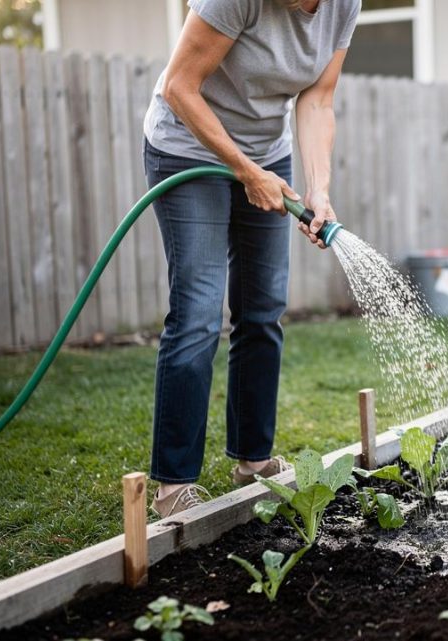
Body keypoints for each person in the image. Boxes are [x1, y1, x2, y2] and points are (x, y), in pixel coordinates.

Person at [142, 0, 360, 518]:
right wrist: (244, 169)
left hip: (266, 155)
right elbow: (179, 86)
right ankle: (173, 483)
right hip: (188, 149)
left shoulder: (344, 5)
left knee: (262, 309)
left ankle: (252, 458)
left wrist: (319, 190)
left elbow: (317, 100)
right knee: (197, 311)